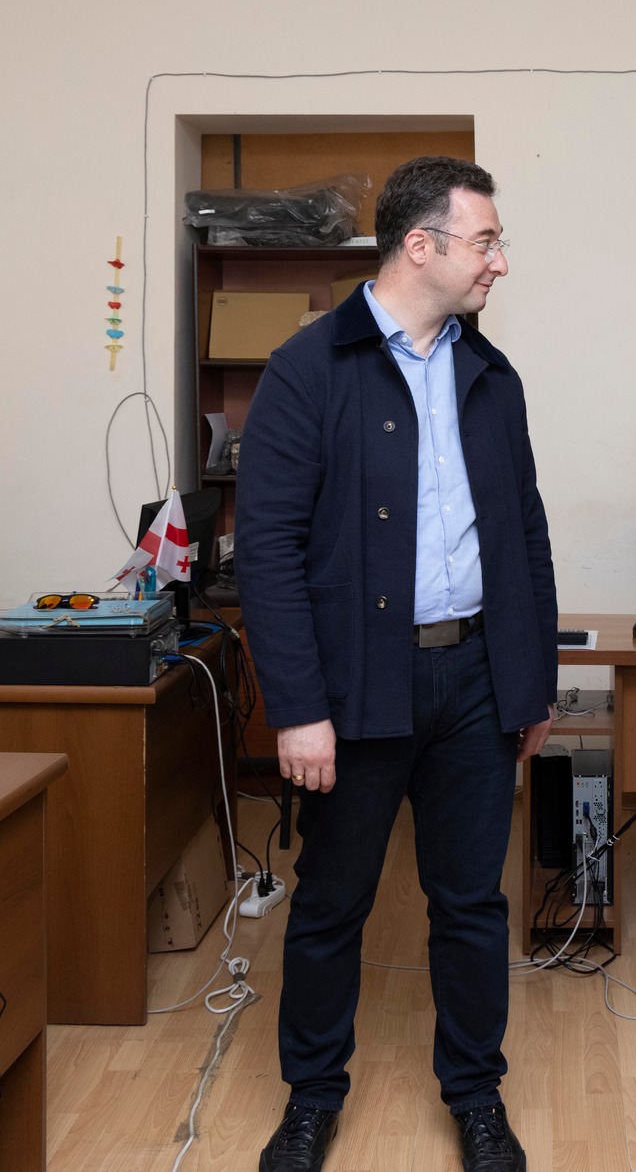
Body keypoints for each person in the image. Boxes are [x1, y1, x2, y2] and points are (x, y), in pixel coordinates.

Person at [236, 156, 557, 1172]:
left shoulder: (489, 374)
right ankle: (310, 1098)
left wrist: (530, 681)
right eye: (486, 241)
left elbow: (525, 535)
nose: (499, 261)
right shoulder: (307, 368)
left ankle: (475, 1095)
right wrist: (298, 708)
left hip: (476, 680)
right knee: (333, 902)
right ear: (421, 245)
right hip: (355, 688)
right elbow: (267, 552)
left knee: (471, 903)